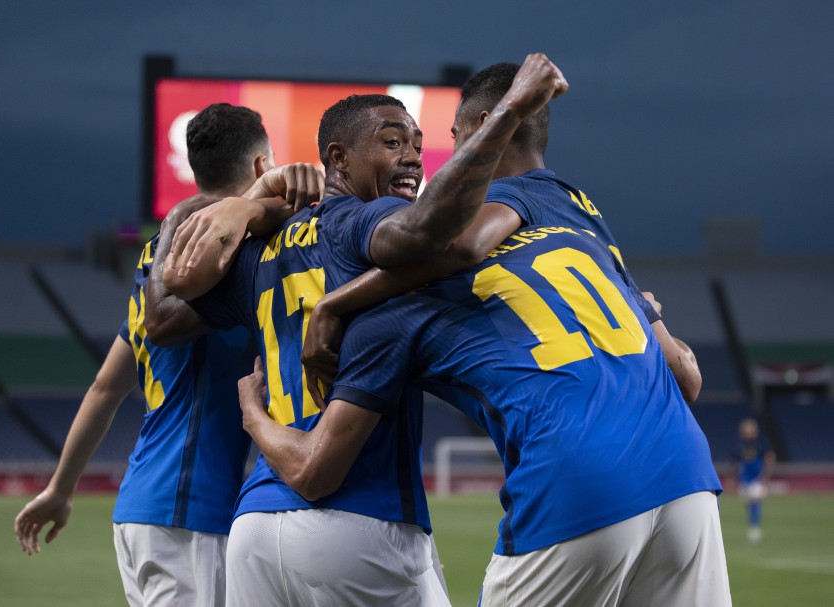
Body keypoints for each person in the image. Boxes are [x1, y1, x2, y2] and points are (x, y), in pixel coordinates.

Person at [152, 53, 568, 606]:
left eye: (419, 145)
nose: (414, 159)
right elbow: (429, 236)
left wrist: (227, 208)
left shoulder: (257, 253)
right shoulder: (361, 219)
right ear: (338, 158)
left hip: (255, 525)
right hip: (357, 514)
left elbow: (159, 319)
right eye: (394, 143)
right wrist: (509, 115)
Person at [243, 223, 730, 606]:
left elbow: (314, 468)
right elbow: (687, 378)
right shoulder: (579, 241)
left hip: (576, 479)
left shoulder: (389, 314)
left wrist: (253, 413)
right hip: (687, 472)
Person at [13, 103, 321, 607]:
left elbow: (106, 387)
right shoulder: (242, 254)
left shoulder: (159, 257)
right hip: (189, 509)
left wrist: (60, 489)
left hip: (141, 507)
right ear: (263, 167)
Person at [302, 61, 700, 404]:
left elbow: (459, 248)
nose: (450, 152)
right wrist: (638, 307)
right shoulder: (585, 216)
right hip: (669, 449)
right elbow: (686, 378)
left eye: (455, 136)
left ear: (483, 128)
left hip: (567, 434)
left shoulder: (504, 196)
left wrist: (335, 304)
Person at [733, 417, 775, 544]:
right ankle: (753, 526)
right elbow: (735, 462)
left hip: (757, 479)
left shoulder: (762, 444)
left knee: (755, 502)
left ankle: (755, 530)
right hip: (744, 480)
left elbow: (770, 458)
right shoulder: (739, 446)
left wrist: (765, 476)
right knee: (749, 504)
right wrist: (734, 478)